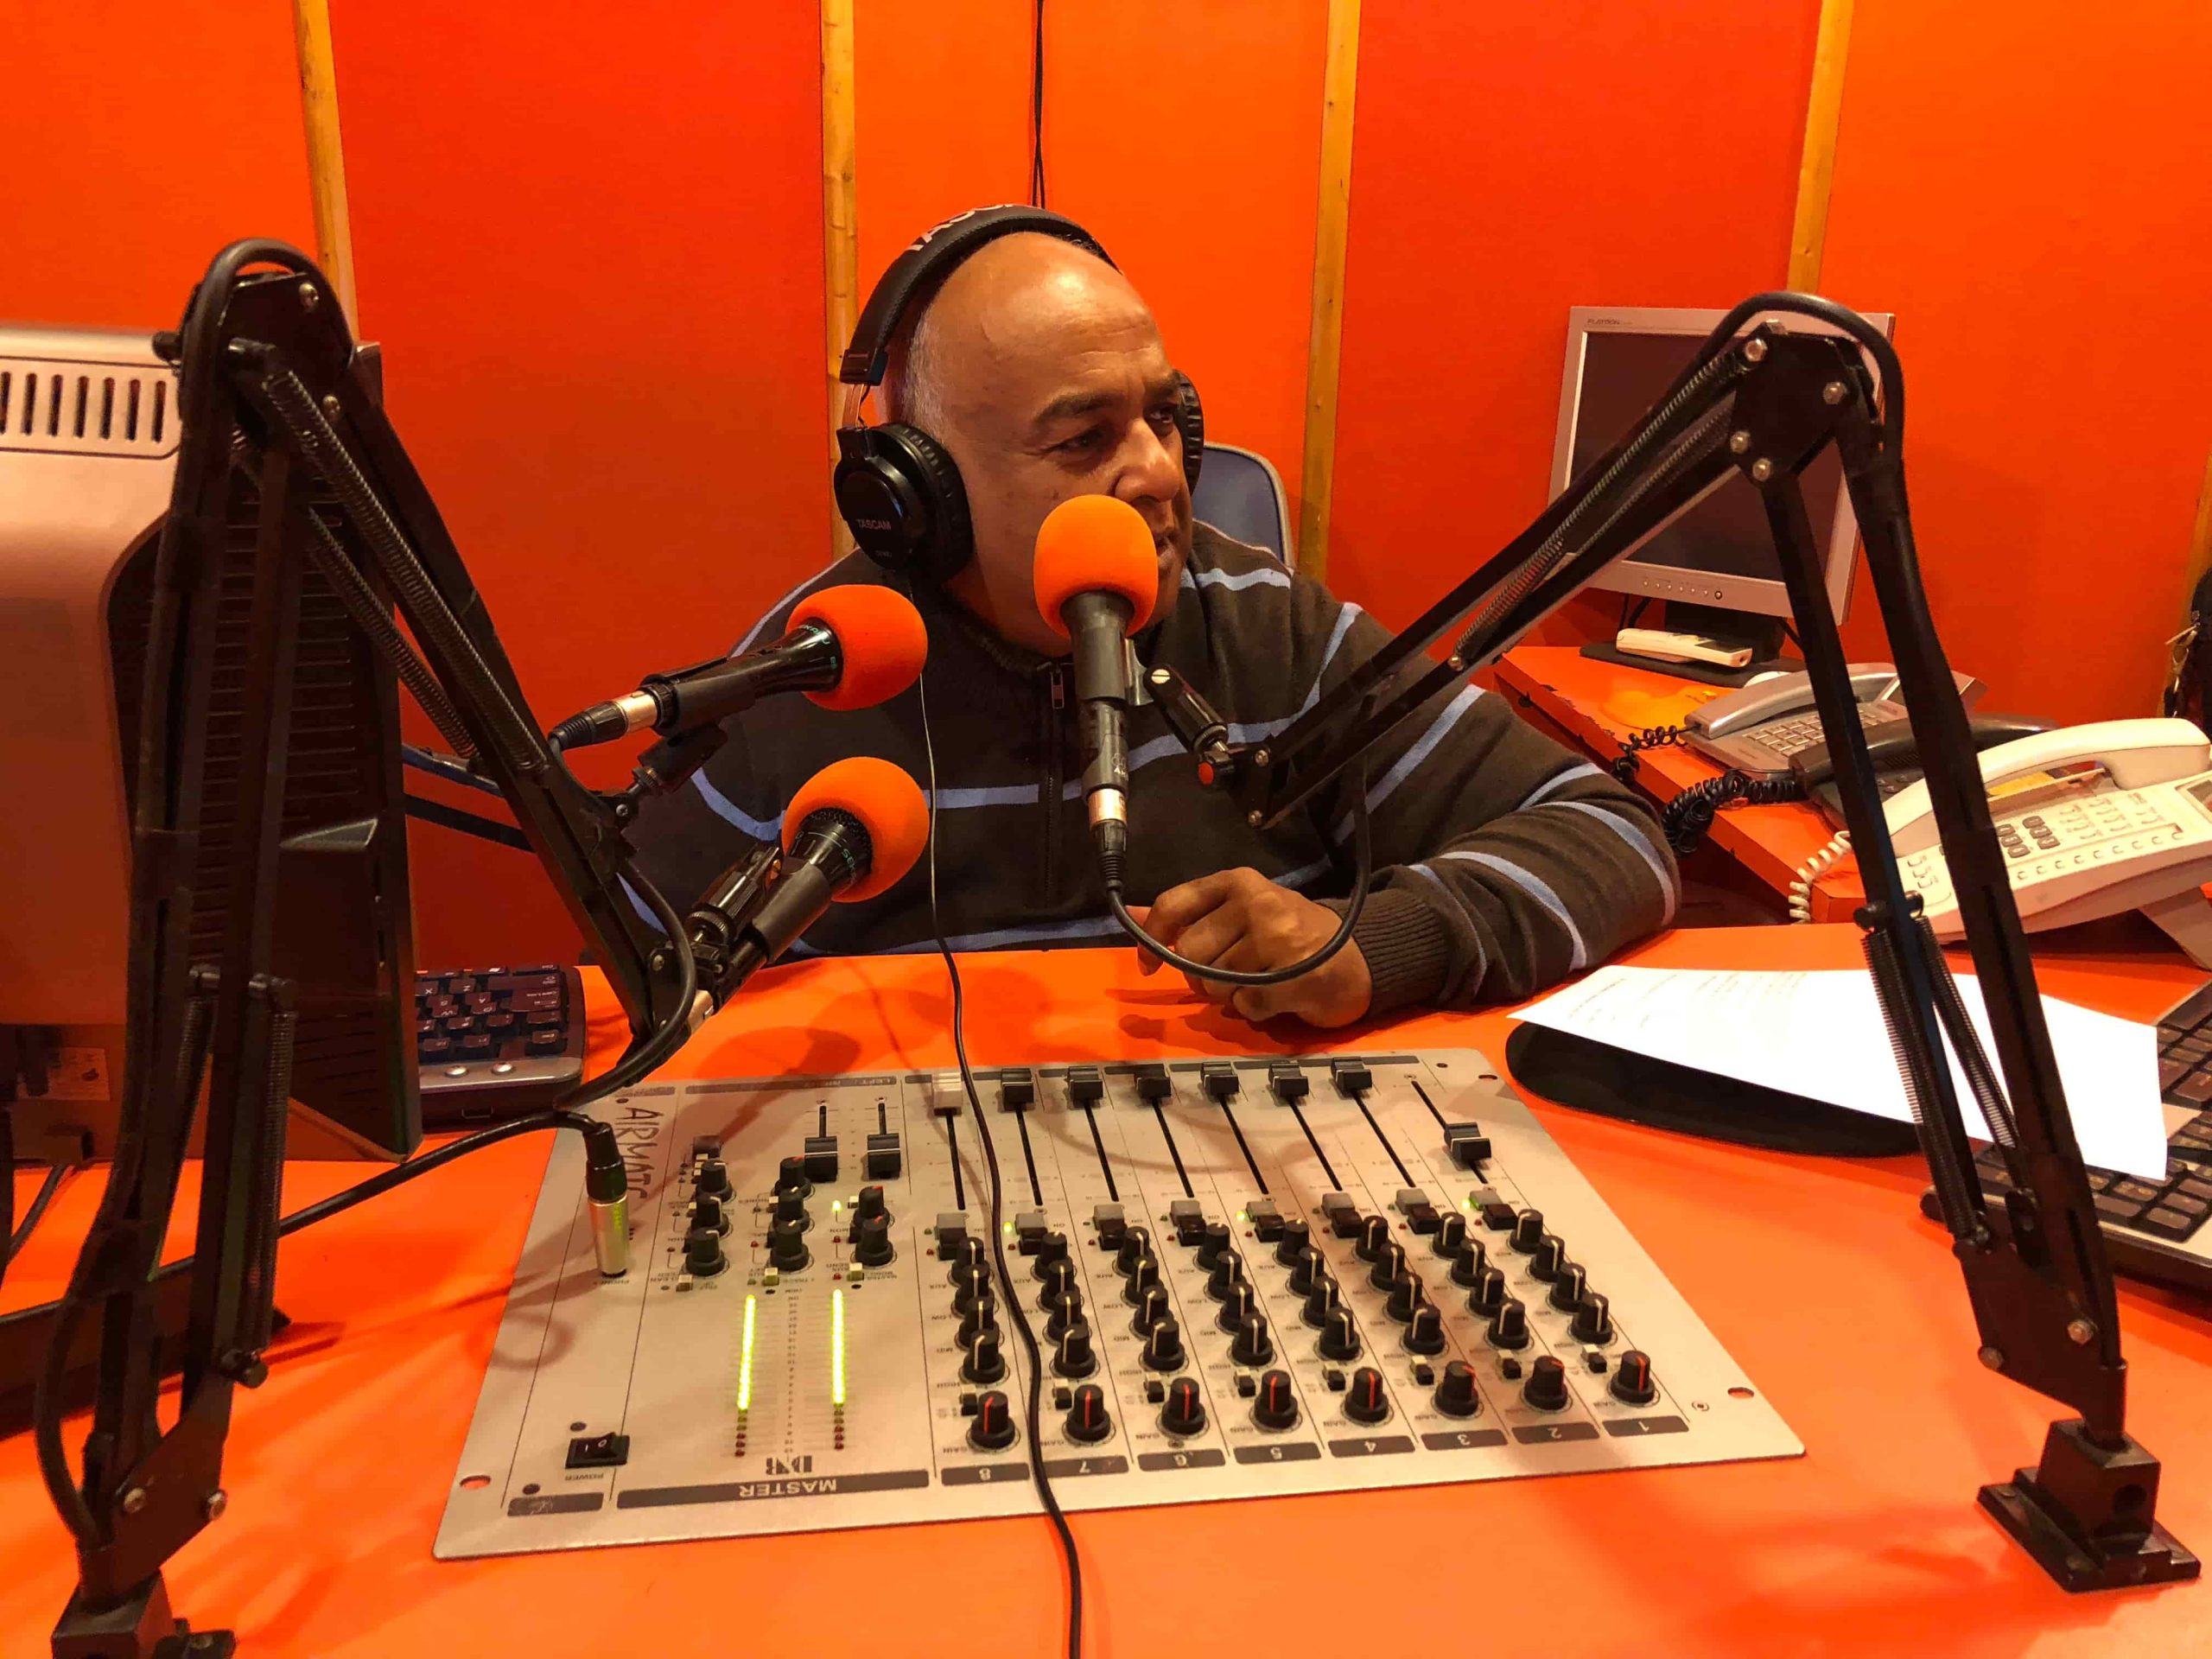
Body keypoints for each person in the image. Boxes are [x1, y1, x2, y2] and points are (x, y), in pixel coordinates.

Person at [630, 217, 1676, 1027]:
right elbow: (647, 974)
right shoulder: (812, 676)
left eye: (1165, 417)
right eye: (1084, 440)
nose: (1161, 473)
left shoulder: (1273, 631)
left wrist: (1376, 947)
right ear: (920, 496)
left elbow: (1611, 833)